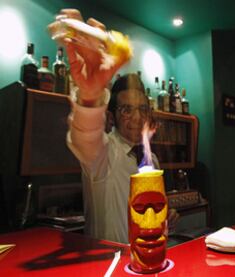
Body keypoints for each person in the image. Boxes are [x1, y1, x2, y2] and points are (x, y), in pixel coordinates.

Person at [54, 9, 178, 243]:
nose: (137, 117)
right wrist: (90, 97)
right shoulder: (104, 154)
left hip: (150, 260)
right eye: (126, 109)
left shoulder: (152, 160)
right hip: (111, 264)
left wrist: (165, 216)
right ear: (111, 117)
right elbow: (85, 137)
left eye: (142, 108)